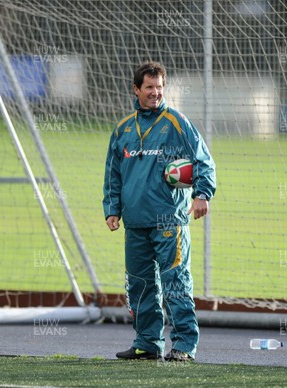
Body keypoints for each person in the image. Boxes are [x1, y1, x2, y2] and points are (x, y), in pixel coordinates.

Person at [103, 61, 216, 362]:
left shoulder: (176, 121)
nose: (155, 93)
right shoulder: (123, 129)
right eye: (149, 87)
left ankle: (183, 345)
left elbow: (203, 159)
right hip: (135, 222)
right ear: (136, 89)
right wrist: (112, 209)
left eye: (159, 88)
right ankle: (147, 343)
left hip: (170, 222)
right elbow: (113, 173)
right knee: (139, 285)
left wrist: (202, 194)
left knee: (176, 283)